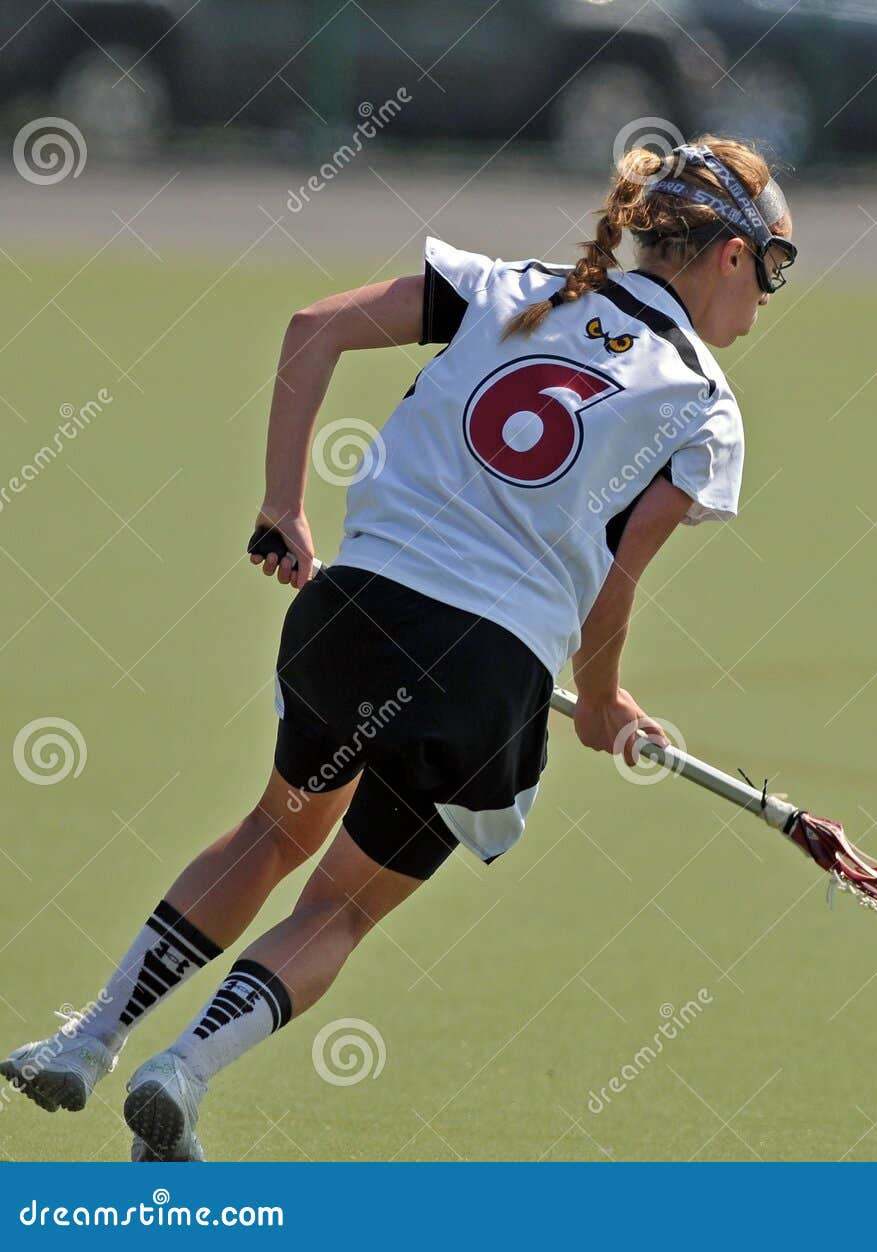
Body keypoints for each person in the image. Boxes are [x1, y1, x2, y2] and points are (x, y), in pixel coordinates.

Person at [1, 138, 795, 1162]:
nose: (769, 297)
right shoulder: (704, 402)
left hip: (350, 614)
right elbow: (617, 580)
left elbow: (310, 328)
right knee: (339, 903)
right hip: (485, 678)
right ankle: (182, 1068)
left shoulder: (503, 287)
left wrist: (283, 508)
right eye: (771, 268)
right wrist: (599, 703)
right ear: (729, 254)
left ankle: (93, 1034)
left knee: (271, 833)